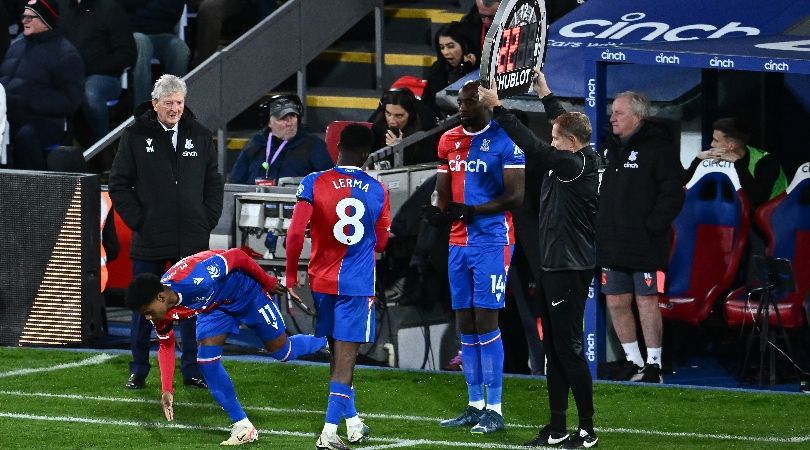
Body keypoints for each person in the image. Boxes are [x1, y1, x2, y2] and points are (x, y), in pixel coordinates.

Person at [480, 70, 599, 448]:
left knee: (568, 349)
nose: (551, 141)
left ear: (571, 143)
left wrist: (499, 110)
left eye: (556, 138)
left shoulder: (574, 165)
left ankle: (587, 430)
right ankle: (558, 427)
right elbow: (561, 124)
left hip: (568, 268)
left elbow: (534, 148)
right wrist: (546, 92)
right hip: (554, 265)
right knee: (554, 350)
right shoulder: (580, 154)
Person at [125, 248, 328, 445]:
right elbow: (166, 346)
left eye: (148, 311)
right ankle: (243, 427)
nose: (148, 317)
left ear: (160, 298)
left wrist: (267, 281)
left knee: (284, 352)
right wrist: (167, 390)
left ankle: (328, 340)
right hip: (215, 307)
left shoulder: (196, 278)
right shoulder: (161, 312)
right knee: (206, 361)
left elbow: (238, 256)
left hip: (246, 293)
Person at [109, 74, 224, 391]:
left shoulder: (199, 135)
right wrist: (139, 221)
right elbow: (118, 183)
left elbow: (213, 182)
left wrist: (206, 219)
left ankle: (192, 370)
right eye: (169, 102)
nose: (175, 108)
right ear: (155, 103)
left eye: (179, 102)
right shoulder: (134, 135)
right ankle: (139, 369)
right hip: (150, 238)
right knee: (142, 307)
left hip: (192, 238)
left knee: (191, 306)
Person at [285, 124, 391, 450]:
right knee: (346, 359)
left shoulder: (313, 181)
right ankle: (329, 433)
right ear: (366, 155)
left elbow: (294, 234)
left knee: (336, 353)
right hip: (356, 285)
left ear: (338, 148)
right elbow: (383, 242)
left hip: (321, 281)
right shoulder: (378, 189)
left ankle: (353, 422)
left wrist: (291, 276)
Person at [432, 80, 525, 434]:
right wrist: (438, 211)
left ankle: (495, 409)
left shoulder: (506, 139)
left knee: (487, 322)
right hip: (458, 243)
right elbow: (443, 191)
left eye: (469, 102)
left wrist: (474, 210)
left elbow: (516, 196)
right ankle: (474, 404)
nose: (462, 107)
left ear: (486, 103)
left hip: (492, 241)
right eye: (460, 101)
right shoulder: (448, 140)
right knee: (465, 324)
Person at [597, 91, 685, 383]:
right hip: (611, 242)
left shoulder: (659, 148)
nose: (612, 118)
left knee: (647, 301)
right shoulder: (609, 148)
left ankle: (654, 364)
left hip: (646, 243)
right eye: (612, 113)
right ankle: (633, 362)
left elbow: (673, 194)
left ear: (637, 116)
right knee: (616, 301)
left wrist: (651, 226)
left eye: (618, 113)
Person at [0, 0, 84, 170]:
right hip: (11, 117)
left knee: (25, 136)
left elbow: (71, 100)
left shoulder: (66, 53)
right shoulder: (16, 47)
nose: (25, 20)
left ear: (46, 21)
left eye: (31, 17)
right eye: (24, 16)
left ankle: (37, 190)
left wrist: (32, 101)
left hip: (47, 122)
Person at [58, 0, 137, 144]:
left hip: (105, 77)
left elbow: (127, 54)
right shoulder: (63, 7)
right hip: (69, 76)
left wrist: (88, 68)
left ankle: (103, 149)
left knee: (90, 92)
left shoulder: (110, 8)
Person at [684, 117, 787, 211]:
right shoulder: (715, 158)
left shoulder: (766, 161)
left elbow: (756, 199)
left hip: (769, 217)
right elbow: (683, 186)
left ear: (730, 146)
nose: (711, 144)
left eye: (716, 140)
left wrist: (738, 163)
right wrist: (698, 159)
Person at [229, 94, 332, 185]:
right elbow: (235, 182)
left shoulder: (314, 145)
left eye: (292, 116)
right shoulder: (255, 144)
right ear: (269, 123)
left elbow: (328, 182)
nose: (289, 122)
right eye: (282, 118)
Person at [118, 0, 191, 109]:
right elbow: (121, 6)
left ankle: (172, 109)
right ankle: (143, 112)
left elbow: (174, 11)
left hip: (163, 34)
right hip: (134, 33)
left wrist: (140, 9)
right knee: (142, 43)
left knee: (180, 49)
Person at [422, 21, 479, 119]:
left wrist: (462, 68)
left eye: (450, 46)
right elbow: (427, 104)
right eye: (442, 47)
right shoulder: (437, 69)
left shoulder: (478, 68)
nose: (445, 52)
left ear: (464, 45)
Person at [369, 87, 437, 167]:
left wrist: (399, 149)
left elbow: (418, 169)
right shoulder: (379, 124)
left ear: (410, 115)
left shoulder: (423, 132)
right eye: (388, 114)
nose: (392, 121)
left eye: (399, 116)